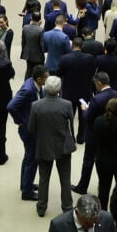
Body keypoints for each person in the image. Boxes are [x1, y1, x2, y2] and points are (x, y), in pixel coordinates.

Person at [29, 75, 77, 217]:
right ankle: (67, 207)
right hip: (63, 146)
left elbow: (32, 128)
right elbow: (71, 125)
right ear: (59, 89)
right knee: (65, 178)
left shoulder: (36, 106)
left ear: (45, 88)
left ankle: (41, 207)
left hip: (44, 146)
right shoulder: (67, 104)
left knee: (43, 179)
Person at [8, 65, 49, 201]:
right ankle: (27, 192)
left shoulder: (34, 85)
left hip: (32, 127)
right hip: (29, 129)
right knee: (32, 159)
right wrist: (19, 121)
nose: (47, 80)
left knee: (28, 157)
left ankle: (26, 184)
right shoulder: (28, 90)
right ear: (39, 79)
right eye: (46, 78)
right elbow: (11, 106)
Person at [57, 37, 97, 143]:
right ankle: (81, 137)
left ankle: (71, 137)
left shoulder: (64, 58)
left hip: (69, 94)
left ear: (72, 45)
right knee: (83, 116)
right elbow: (93, 72)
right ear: (82, 46)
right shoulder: (90, 58)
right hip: (84, 94)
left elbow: (58, 73)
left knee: (69, 116)